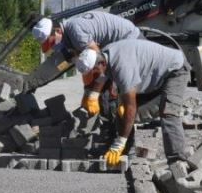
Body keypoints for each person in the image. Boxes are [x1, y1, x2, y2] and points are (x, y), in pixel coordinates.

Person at [75, 39, 190, 167]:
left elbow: (131, 108)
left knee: (168, 112)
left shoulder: (123, 67)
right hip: (155, 76)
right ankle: (125, 154)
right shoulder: (105, 55)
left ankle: (177, 163)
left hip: (175, 70)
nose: (95, 75)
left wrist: (119, 143)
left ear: (101, 63)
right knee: (121, 112)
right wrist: (93, 95)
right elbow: (102, 76)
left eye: (95, 71)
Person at [31, 11, 142, 115]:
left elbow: (100, 64)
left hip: (130, 41)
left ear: (58, 31)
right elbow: (86, 66)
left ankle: (118, 121)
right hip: (116, 44)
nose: (52, 47)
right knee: (100, 84)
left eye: (52, 42)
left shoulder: (77, 34)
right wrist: (87, 91)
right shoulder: (69, 36)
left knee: (109, 90)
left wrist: (93, 95)